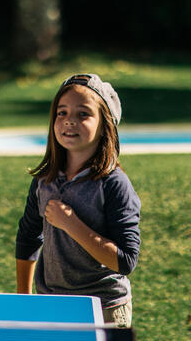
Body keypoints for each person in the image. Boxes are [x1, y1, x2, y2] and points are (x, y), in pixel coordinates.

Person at [15, 74, 141, 327]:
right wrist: (24, 300)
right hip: (52, 306)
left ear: (105, 125)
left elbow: (126, 261)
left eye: (83, 114)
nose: (69, 120)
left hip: (104, 310)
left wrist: (71, 224)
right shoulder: (44, 180)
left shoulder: (113, 183)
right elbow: (28, 236)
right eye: (62, 113)